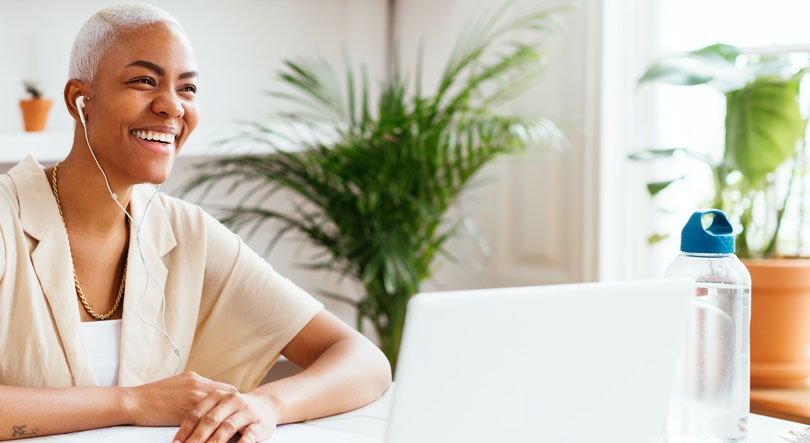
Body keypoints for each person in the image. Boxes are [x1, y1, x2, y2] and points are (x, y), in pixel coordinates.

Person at [0, 3, 391, 442]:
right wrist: (133, 402)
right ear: (80, 100)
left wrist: (265, 405)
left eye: (187, 89)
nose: (171, 107)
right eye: (144, 81)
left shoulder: (187, 233)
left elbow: (363, 360)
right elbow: (136, 404)